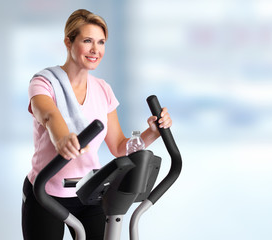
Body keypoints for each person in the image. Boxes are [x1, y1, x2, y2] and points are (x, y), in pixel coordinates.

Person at [21, 9, 172, 240]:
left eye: (101, 42)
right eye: (87, 41)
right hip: (45, 192)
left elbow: (119, 146)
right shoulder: (44, 82)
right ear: (68, 42)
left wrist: (151, 133)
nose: (95, 49)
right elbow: (49, 115)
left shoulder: (103, 90)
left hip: (88, 191)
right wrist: (63, 138)